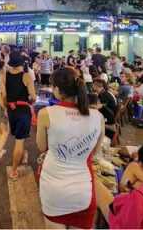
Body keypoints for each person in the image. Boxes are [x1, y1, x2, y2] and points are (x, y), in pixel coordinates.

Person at [37, 67, 104, 228]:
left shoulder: (46, 114)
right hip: (84, 190)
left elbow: (42, 147)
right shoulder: (98, 117)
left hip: (54, 188)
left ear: (58, 90)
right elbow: (93, 152)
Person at [5, 51, 36, 181]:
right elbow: (33, 97)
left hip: (11, 110)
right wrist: (29, 100)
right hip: (23, 111)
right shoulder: (26, 76)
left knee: (17, 138)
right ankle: (13, 170)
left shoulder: (5, 75)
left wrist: (6, 108)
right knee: (19, 141)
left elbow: (3, 95)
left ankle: (23, 155)